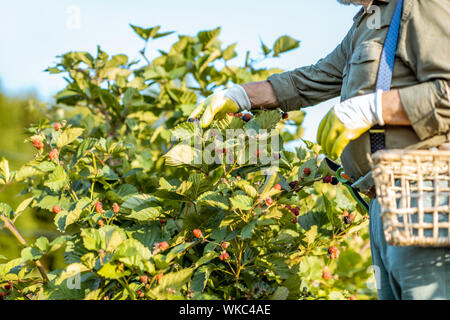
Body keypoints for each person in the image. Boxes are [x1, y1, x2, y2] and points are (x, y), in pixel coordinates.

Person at [189, 0, 450, 300]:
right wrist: (239, 96)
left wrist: (374, 108)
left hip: (426, 194)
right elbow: (309, 80)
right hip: (382, 202)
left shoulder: (421, 5)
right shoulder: (368, 23)